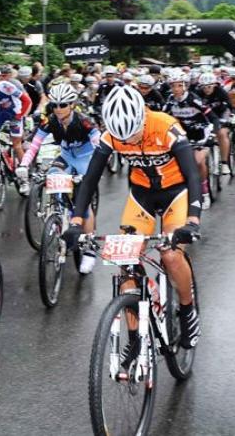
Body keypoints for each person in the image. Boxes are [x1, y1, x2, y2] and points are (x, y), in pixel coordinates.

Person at [63, 85, 202, 350]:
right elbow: (90, 180)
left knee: (171, 255)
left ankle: (187, 310)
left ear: (142, 117)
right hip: (142, 195)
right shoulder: (110, 136)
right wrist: (75, 222)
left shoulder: (166, 126)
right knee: (126, 261)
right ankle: (136, 341)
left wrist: (193, 221)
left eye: (134, 134)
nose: (129, 142)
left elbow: (193, 175)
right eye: (122, 139)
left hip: (176, 192)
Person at [15, 83, 99, 237]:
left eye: (63, 105)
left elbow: (98, 144)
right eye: (55, 105)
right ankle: (59, 212)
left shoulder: (84, 121)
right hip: (66, 156)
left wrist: (97, 164)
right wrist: (24, 165)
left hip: (85, 159)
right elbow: (34, 146)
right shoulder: (50, 121)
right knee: (53, 174)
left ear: (72, 105)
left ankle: (89, 241)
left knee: (83, 205)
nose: (58, 109)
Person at [163, 70, 218, 209]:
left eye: (179, 85)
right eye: (173, 85)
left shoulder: (194, 99)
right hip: (183, 134)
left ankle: (204, 192)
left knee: (198, 161)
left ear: (186, 86)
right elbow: (162, 118)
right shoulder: (170, 100)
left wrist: (212, 134)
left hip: (201, 133)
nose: (176, 89)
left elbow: (213, 117)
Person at [195, 72, 234, 175]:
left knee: (222, 133)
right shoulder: (197, 93)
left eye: (209, 86)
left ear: (214, 85)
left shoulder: (221, 92)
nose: (207, 89)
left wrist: (226, 119)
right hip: (207, 116)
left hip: (221, 114)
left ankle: (224, 163)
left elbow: (229, 107)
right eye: (204, 87)